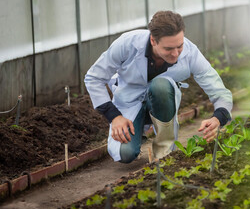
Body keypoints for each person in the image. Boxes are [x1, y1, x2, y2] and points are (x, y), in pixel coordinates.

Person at [84, 11, 233, 163]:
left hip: (162, 100)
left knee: (161, 85)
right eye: (168, 49)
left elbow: (220, 93)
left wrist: (218, 118)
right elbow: (94, 77)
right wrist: (114, 116)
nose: (176, 54)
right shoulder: (128, 44)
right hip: (129, 101)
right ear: (153, 41)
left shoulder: (190, 52)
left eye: (179, 46)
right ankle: (137, 129)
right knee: (125, 154)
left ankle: (164, 148)